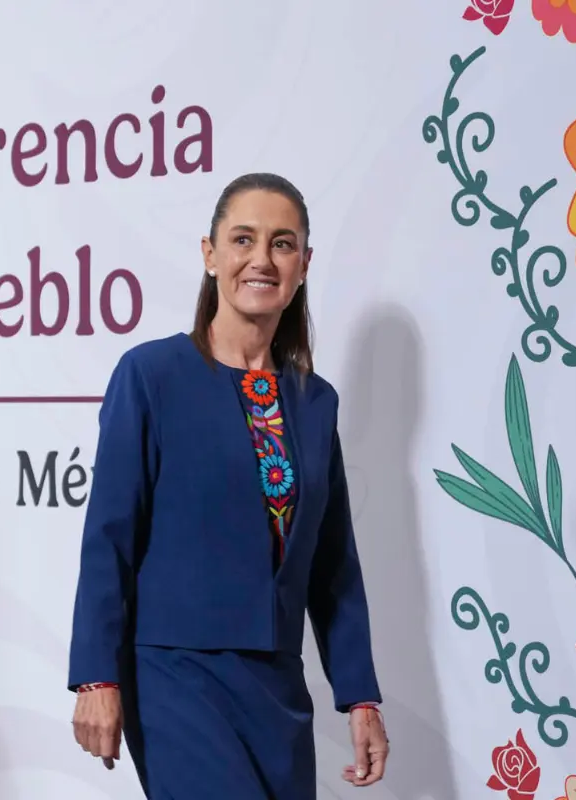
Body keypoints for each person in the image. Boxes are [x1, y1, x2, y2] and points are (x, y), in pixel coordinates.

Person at [68, 172, 388, 797]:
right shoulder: (151, 375)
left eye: (282, 243)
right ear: (210, 255)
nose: (261, 259)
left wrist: (360, 696)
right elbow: (108, 537)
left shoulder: (315, 403)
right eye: (243, 239)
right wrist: (95, 678)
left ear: (303, 264)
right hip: (174, 676)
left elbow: (333, 565)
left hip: (277, 686)